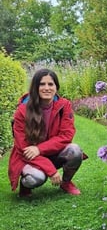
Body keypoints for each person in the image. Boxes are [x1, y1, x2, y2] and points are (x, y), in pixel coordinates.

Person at [8, 68, 87, 197]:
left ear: (56, 87)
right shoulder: (22, 110)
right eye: (42, 84)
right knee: (37, 178)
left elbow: (66, 136)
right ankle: (26, 183)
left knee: (75, 150)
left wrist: (39, 149)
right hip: (28, 157)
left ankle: (66, 183)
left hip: (49, 152)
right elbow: (22, 148)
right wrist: (51, 171)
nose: (46, 88)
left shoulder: (64, 106)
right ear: (35, 87)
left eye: (51, 84)